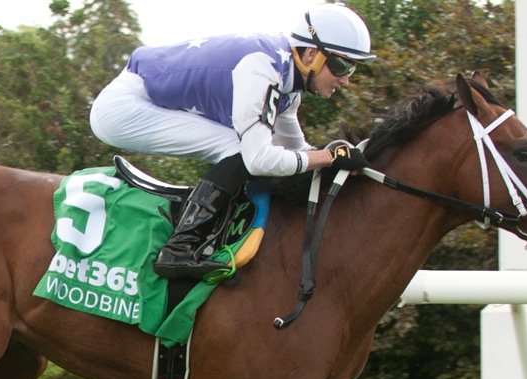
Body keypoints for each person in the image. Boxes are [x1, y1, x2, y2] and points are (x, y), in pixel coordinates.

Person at [89, 3, 376, 278]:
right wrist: (327, 157)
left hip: (140, 97)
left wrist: (333, 156)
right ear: (311, 54)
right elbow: (259, 158)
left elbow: (296, 152)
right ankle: (178, 249)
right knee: (238, 147)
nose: (346, 80)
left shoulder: (289, 86)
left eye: (351, 69)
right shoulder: (263, 69)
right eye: (341, 66)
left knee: (245, 147)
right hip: (123, 108)